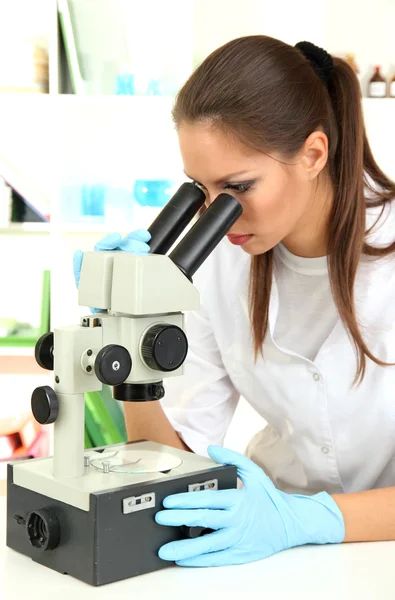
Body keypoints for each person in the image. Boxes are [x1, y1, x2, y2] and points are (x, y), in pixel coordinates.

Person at [73, 36, 395, 567]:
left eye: (239, 186)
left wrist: (306, 518)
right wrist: (129, 347)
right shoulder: (217, 264)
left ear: (314, 154)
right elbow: (169, 465)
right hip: (270, 547)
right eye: (199, 189)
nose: (218, 217)